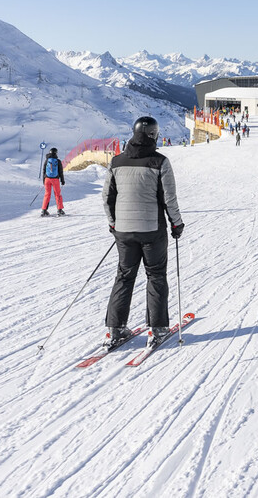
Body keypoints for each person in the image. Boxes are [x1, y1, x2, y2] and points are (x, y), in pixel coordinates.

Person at [103, 116, 185, 347]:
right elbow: (169, 198)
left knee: (125, 275)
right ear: (153, 135)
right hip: (151, 229)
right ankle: (157, 328)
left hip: (124, 231)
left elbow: (107, 197)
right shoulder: (160, 162)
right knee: (156, 275)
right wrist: (176, 224)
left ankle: (115, 329)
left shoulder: (117, 161)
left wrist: (113, 223)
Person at [41, 147, 65, 216]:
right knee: (58, 194)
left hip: (47, 179)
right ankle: (59, 210)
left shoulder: (47, 160)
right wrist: (62, 180)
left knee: (47, 194)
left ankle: (44, 210)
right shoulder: (58, 161)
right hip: (55, 180)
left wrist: (44, 181)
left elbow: (44, 171)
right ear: (56, 153)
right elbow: (61, 172)